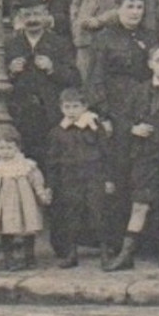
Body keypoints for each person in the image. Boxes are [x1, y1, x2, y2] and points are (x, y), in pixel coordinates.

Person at [104, 44, 159, 271]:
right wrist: (133, 129)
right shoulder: (138, 91)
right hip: (145, 155)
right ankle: (127, 254)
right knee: (140, 203)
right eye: (158, 60)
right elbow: (122, 119)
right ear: (150, 64)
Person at [44, 87, 117, 269]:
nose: (71, 111)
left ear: (84, 106)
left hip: (94, 176)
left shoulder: (93, 127)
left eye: (76, 106)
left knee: (98, 213)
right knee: (71, 216)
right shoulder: (57, 132)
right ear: (61, 108)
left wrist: (109, 179)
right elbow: (52, 161)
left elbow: (106, 153)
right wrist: (50, 185)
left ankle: (105, 252)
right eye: (67, 107)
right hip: (69, 179)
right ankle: (71, 253)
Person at [5, 0, 81, 162]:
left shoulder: (60, 44)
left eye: (37, 14)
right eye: (27, 15)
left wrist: (52, 68)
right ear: (20, 18)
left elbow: (75, 78)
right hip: (19, 115)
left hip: (50, 115)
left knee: (51, 161)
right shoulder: (11, 44)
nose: (32, 19)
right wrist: (10, 71)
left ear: (46, 14)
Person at [0, 125, 51, 271]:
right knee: (6, 231)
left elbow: (37, 181)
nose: (5, 152)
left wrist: (42, 195)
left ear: (18, 148)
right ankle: (9, 259)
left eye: (9, 148)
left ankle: (30, 257)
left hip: (24, 203)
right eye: (1, 148)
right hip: (3, 205)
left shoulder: (27, 166)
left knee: (28, 229)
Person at [86, 0, 154, 117]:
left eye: (139, 7)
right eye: (130, 7)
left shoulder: (150, 37)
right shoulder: (104, 38)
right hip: (115, 108)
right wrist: (104, 114)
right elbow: (96, 78)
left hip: (144, 106)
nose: (135, 12)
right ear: (118, 9)